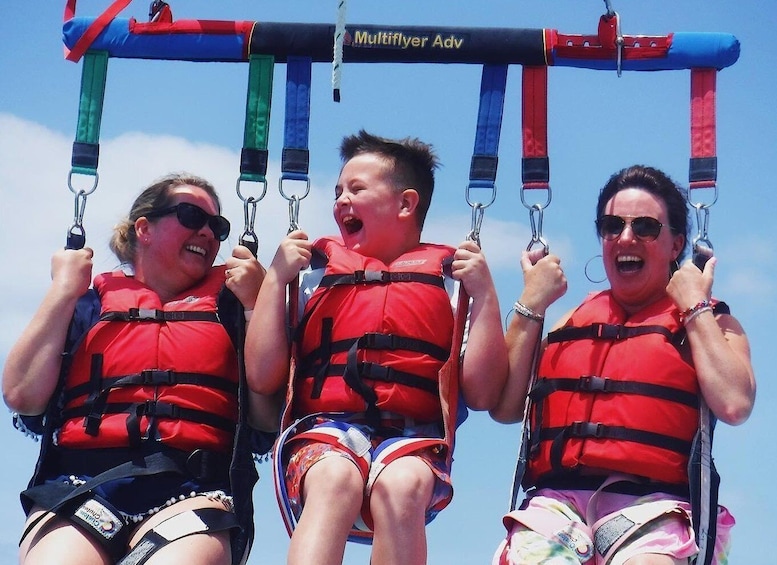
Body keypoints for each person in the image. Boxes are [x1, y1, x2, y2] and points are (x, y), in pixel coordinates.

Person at [245, 130, 508, 565]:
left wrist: (485, 294)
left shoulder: (451, 283)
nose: (340, 201)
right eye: (337, 192)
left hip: (415, 438)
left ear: (406, 204)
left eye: (357, 189)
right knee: (334, 478)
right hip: (325, 430)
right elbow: (262, 375)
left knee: (402, 486)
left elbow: (480, 393)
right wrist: (275, 279)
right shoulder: (312, 276)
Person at [3, 173, 277, 565]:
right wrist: (62, 290)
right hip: (83, 488)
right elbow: (22, 397)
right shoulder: (89, 304)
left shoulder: (233, 308)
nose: (207, 232)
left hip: (193, 491)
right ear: (144, 229)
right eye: (190, 215)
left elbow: (267, 419)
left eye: (217, 226)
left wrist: (257, 305)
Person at [490, 165, 756, 565]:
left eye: (646, 227)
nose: (626, 237)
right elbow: (506, 407)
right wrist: (531, 305)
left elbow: (735, 403)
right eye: (612, 225)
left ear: (675, 244)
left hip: (654, 509)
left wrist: (695, 307)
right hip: (558, 508)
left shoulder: (713, 323)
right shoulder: (569, 320)